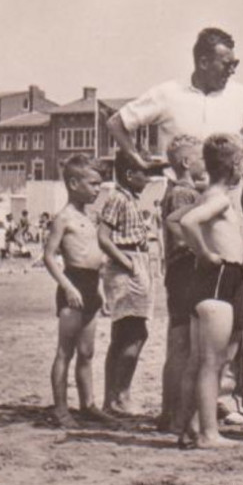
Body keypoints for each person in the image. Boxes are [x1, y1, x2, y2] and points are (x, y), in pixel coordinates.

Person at [109, 26, 243, 424]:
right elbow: (117, 122)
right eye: (225, 62)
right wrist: (140, 160)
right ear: (202, 60)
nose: (232, 68)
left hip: (229, 203)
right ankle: (179, 402)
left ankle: (226, 398)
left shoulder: (241, 95)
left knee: (233, 299)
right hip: (183, 204)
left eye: (236, 62)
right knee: (186, 303)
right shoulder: (168, 93)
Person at [170, 133, 243, 449]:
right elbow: (188, 223)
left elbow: (173, 220)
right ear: (234, 165)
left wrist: (199, 249)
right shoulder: (218, 198)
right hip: (219, 277)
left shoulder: (205, 195)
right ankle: (208, 433)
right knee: (211, 362)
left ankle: (187, 426)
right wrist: (204, 253)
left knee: (197, 360)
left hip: (207, 282)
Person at [41, 156, 112, 428]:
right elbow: (49, 256)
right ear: (73, 183)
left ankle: (88, 404)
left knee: (87, 352)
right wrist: (67, 287)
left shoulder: (89, 216)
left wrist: (101, 290)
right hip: (73, 285)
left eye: (100, 184)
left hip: (92, 286)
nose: (97, 189)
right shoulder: (64, 218)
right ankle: (60, 409)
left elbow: (96, 257)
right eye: (93, 184)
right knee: (65, 352)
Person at [96, 151, 159, 417]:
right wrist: (127, 262)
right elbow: (103, 237)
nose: (148, 178)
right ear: (130, 174)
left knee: (125, 334)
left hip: (136, 260)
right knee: (132, 332)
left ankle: (115, 397)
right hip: (128, 262)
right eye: (144, 172)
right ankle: (119, 395)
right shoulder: (118, 198)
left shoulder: (129, 199)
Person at [156, 134, 204, 433]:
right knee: (181, 342)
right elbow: (182, 235)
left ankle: (169, 411)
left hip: (179, 270)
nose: (205, 162)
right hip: (185, 269)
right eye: (200, 157)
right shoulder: (183, 194)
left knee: (180, 341)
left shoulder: (179, 190)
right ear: (187, 162)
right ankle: (172, 412)